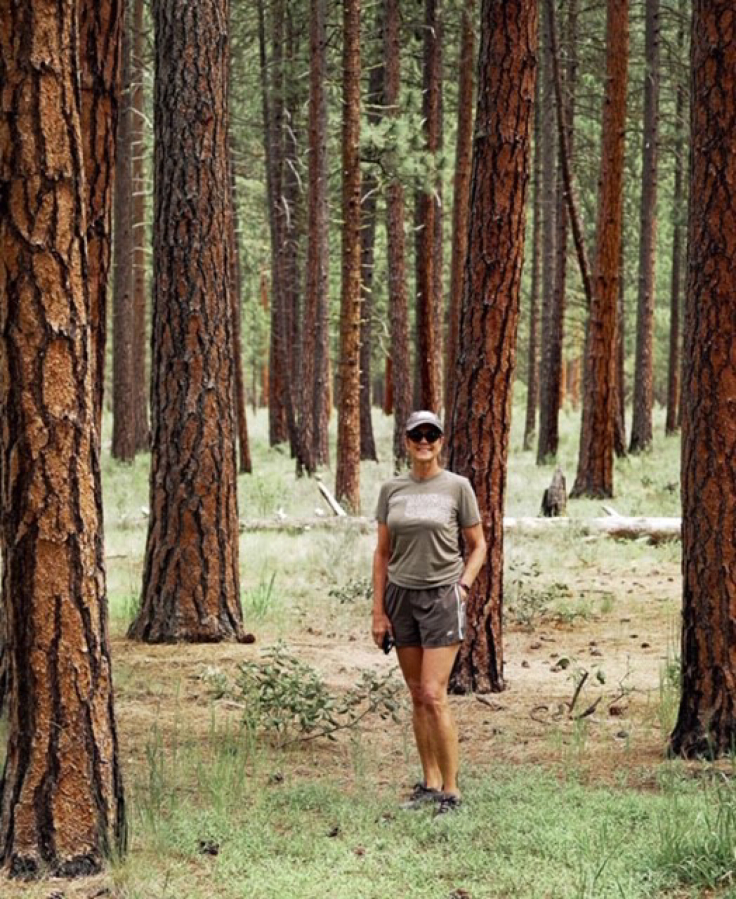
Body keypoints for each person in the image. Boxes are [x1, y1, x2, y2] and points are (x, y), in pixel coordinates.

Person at [372, 410, 487, 814]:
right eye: (416, 435)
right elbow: (383, 553)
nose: (424, 441)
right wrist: (378, 612)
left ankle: (452, 793)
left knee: (435, 693)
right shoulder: (392, 489)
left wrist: (463, 587)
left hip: (442, 598)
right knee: (417, 695)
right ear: (405, 441)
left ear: (440, 441)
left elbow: (478, 545)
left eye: (431, 435)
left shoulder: (457, 487)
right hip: (401, 598)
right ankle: (429, 783)